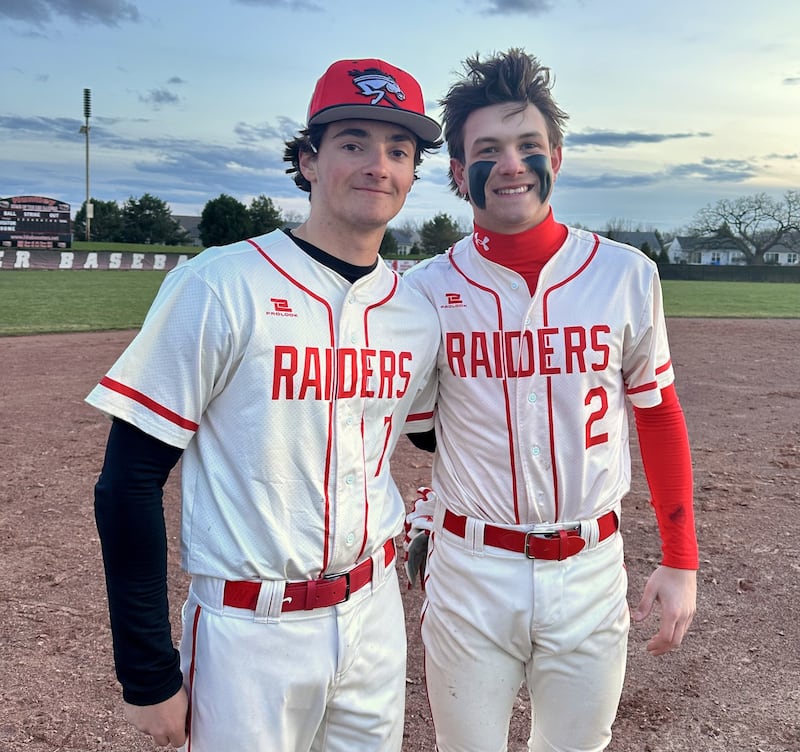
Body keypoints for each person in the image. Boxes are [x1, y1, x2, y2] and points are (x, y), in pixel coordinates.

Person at [86, 57, 442, 752]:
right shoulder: (219, 284)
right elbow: (126, 484)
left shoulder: (415, 311)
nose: (378, 164)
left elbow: (442, 434)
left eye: (398, 149)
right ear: (308, 160)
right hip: (250, 632)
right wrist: (147, 673)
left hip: (373, 622)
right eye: (353, 143)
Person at [402, 48, 698, 752]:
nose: (510, 164)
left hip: (590, 568)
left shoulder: (625, 274)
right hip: (471, 570)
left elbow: (657, 411)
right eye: (487, 150)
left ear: (556, 158)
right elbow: (404, 428)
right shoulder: (420, 292)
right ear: (454, 171)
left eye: (528, 146)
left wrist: (681, 558)